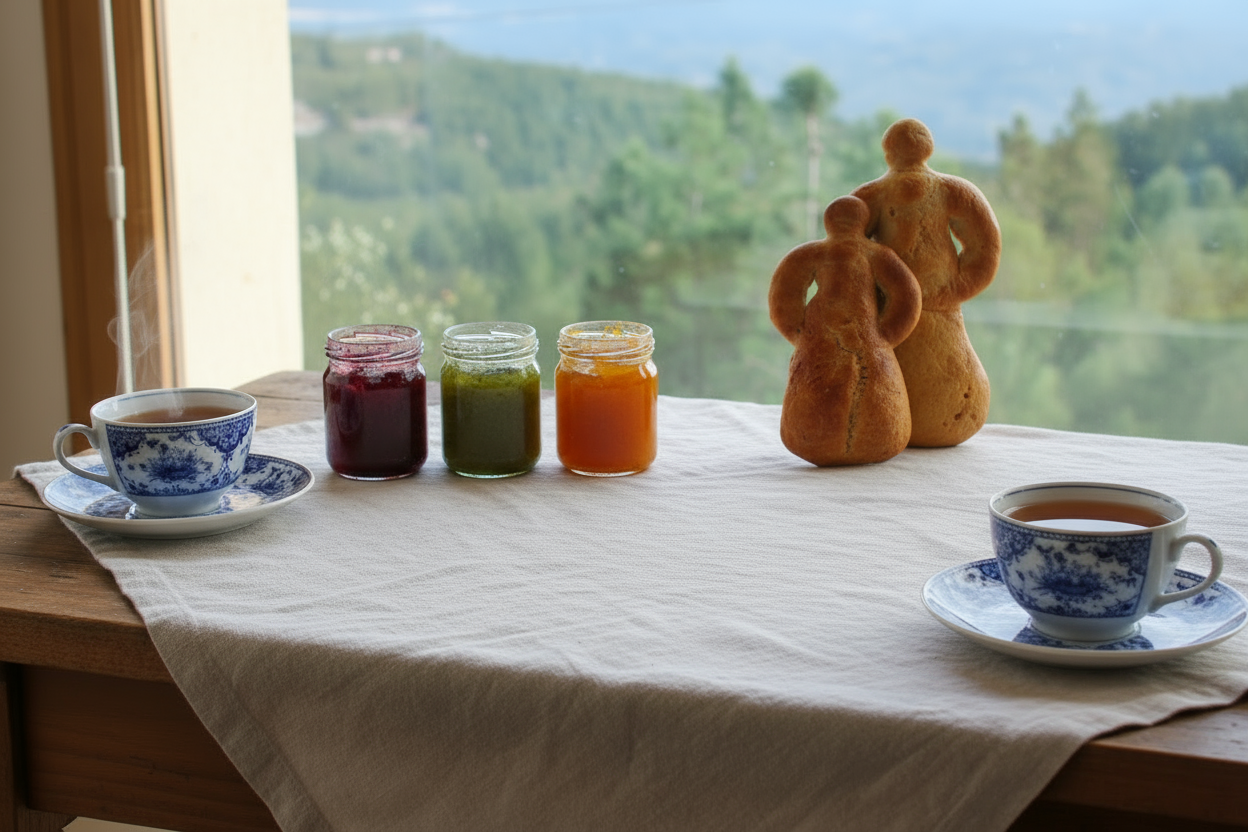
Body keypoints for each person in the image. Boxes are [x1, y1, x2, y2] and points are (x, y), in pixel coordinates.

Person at [852, 118, 1001, 447]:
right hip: (925, 305)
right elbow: (984, 248)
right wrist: (952, 290)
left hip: (907, 308)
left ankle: (934, 415)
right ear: (927, 149)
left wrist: (948, 293)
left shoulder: (871, 195)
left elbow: (847, 245)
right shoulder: (953, 190)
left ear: (888, 151)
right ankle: (945, 411)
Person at [769, 195, 922, 465]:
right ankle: (879, 433)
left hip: (830, 336)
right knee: (873, 378)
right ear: (862, 222)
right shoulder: (878, 255)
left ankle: (815, 434)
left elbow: (784, 297)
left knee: (820, 379)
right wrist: (886, 336)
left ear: (828, 221)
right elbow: (906, 298)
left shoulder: (809, 253)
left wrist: (800, 334)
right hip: (868, 338)